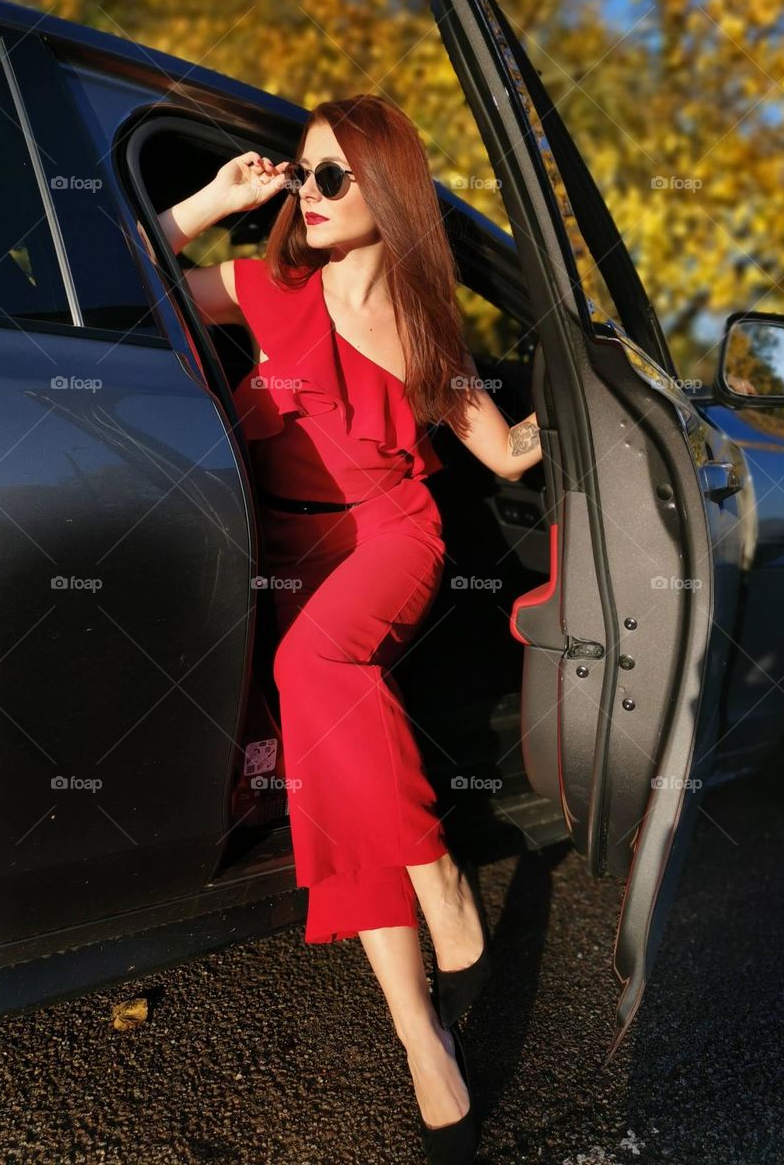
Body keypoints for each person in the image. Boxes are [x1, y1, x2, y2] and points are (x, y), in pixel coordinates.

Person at [156, 94, 543, 1163]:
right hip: (281, 550)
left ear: (393, 191)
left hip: (390, 534)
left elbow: (505, 454)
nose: (310, 194)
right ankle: (423, 1029)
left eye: (334, 176)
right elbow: (125, 276)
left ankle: (442, 877)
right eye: (304, 173)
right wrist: (209, 201)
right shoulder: (268, 287)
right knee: (331, 748)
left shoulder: (428, 326)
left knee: (314, 665)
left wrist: (601, 404)